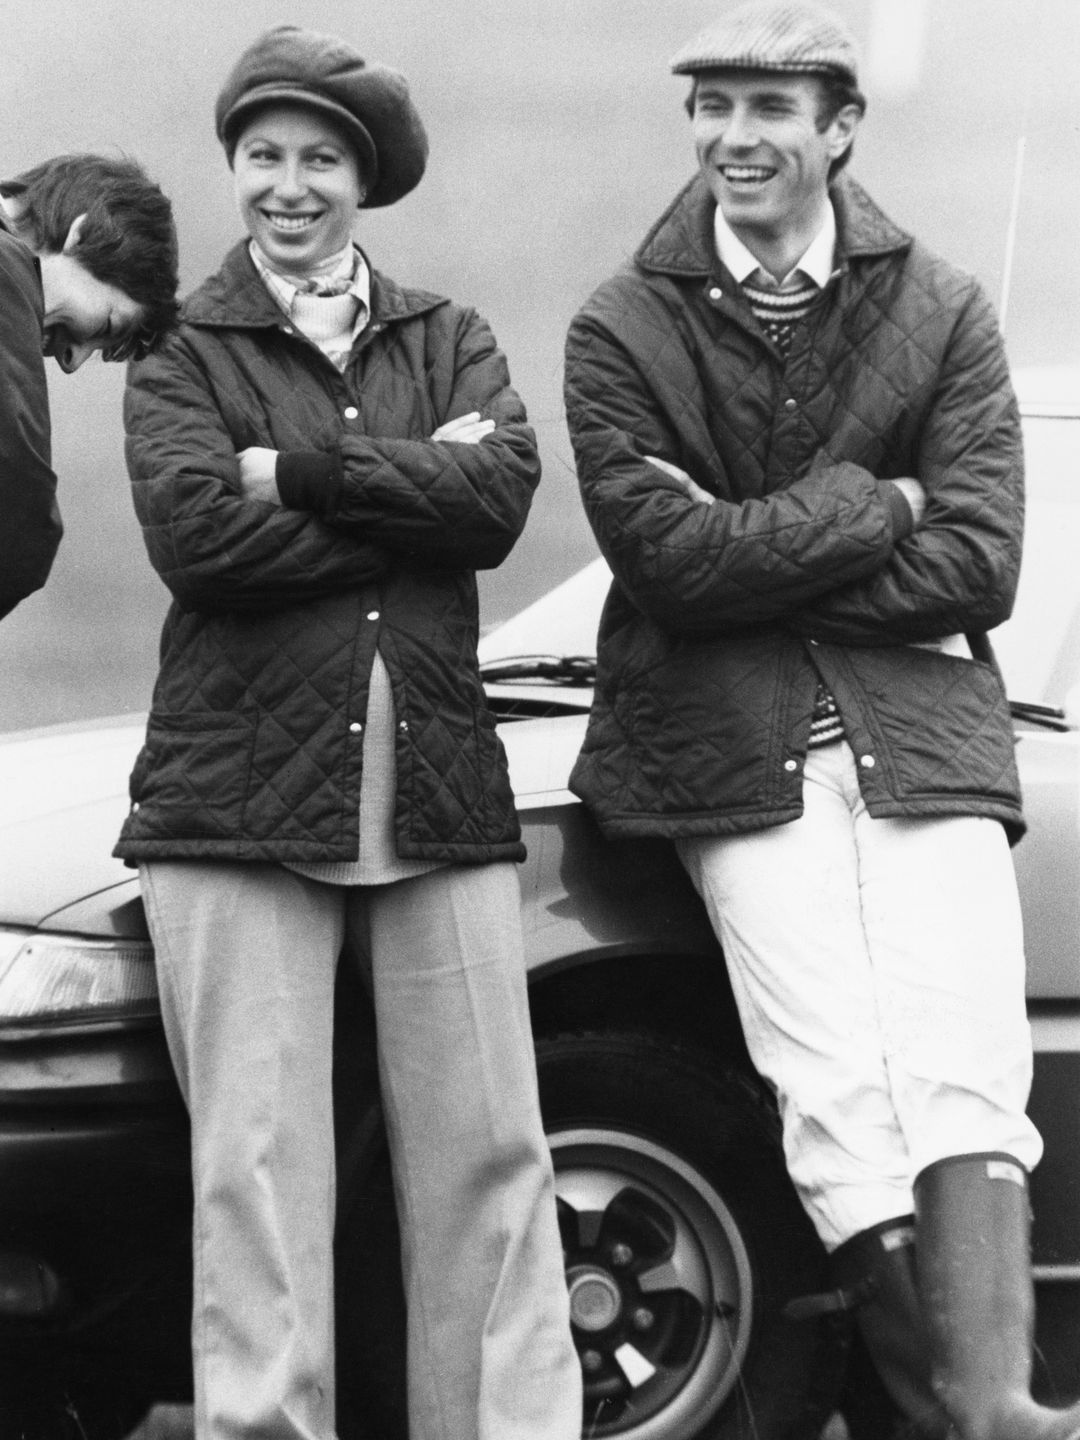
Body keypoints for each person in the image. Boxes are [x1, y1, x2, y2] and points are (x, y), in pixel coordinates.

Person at [563, 3, 1080, 1437]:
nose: (734, 138)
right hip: (726, 750)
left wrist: (758, 555)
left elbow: (980, 562)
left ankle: (992, 1405)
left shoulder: (946, 306)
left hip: (924, 737)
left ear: (841, 127)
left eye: (768, 109)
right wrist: (876, 504)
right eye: (712, 106)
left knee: (966, 1065)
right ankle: (960, 1415)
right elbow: (667, 568)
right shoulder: (623, 322)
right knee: (835, 1082)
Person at [113, 24, 582, 1440]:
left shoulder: (452, 335)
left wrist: (302, 473)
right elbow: (199, 540)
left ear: (364, 179)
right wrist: (405, 505)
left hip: (433, 785)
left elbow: (496, 506)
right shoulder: (183, 347)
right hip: (229, 800)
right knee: (253, 1167)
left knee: (490, 1155)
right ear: (234, 167)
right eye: (265, 155)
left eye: (321, 158)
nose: (289, 185)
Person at [0, 153, 177, 620]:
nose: (71, 362)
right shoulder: (7, 264)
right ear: (82, 235)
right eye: (105, 324)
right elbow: (21, 518)